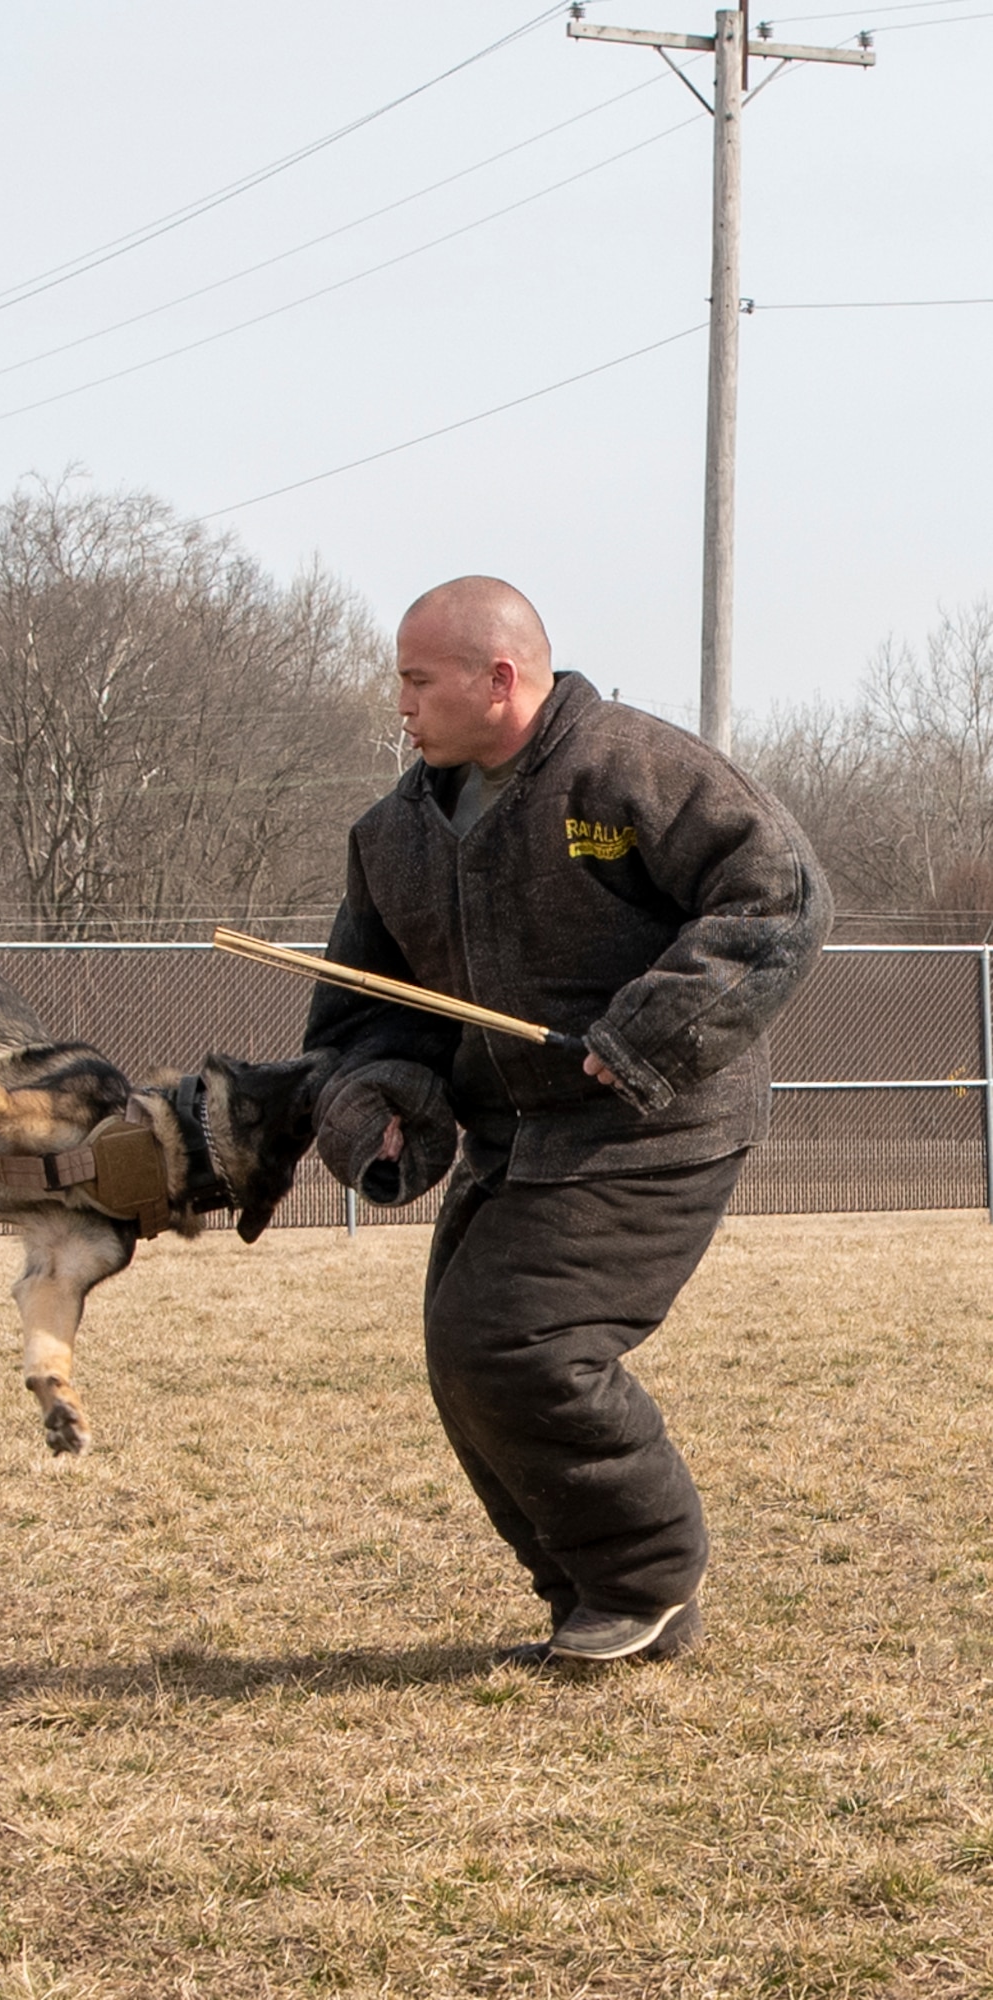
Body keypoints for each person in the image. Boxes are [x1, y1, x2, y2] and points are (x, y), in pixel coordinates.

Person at [304, 576, 832, 1666]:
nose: (397, 702)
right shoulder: (391, 833)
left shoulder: (631, 768)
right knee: (466, 1356)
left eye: (416, 678)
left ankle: (643, 1577)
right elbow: (365, 1015)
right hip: (514, 1133)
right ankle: (592, 1594)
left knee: (518, 1342)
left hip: (657, 1117)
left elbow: (776, 892)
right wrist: (377, 1107)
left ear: (497, 679)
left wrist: (649, 1031)